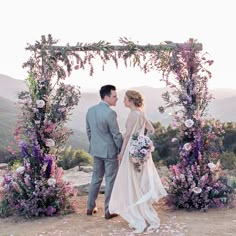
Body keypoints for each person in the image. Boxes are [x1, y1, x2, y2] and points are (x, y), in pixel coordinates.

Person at [109, 90, 167, 234]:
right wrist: (142, 141)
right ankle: (142, 211)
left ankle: (137, 214)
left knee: (131, 180)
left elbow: (128, 135)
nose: (123, 101)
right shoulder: (141, 113)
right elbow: (151, 129)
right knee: (138, 179)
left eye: (125, 99)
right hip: (140, 151)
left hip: (131, 150)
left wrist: (122, 153)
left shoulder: (132, 115)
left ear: (131, 100)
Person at [86, 84, 123, 220]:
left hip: (96, 150)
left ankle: (90, 207)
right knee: (110, 180)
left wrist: (95, 145)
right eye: (114, 96)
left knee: (96, 178)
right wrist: (121, 149)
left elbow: (89, 132)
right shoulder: (110, 113)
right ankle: (109, 210)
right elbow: (116, 134)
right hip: (110, 152)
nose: (116, 99)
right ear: (106, 97)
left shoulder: (90, 110)